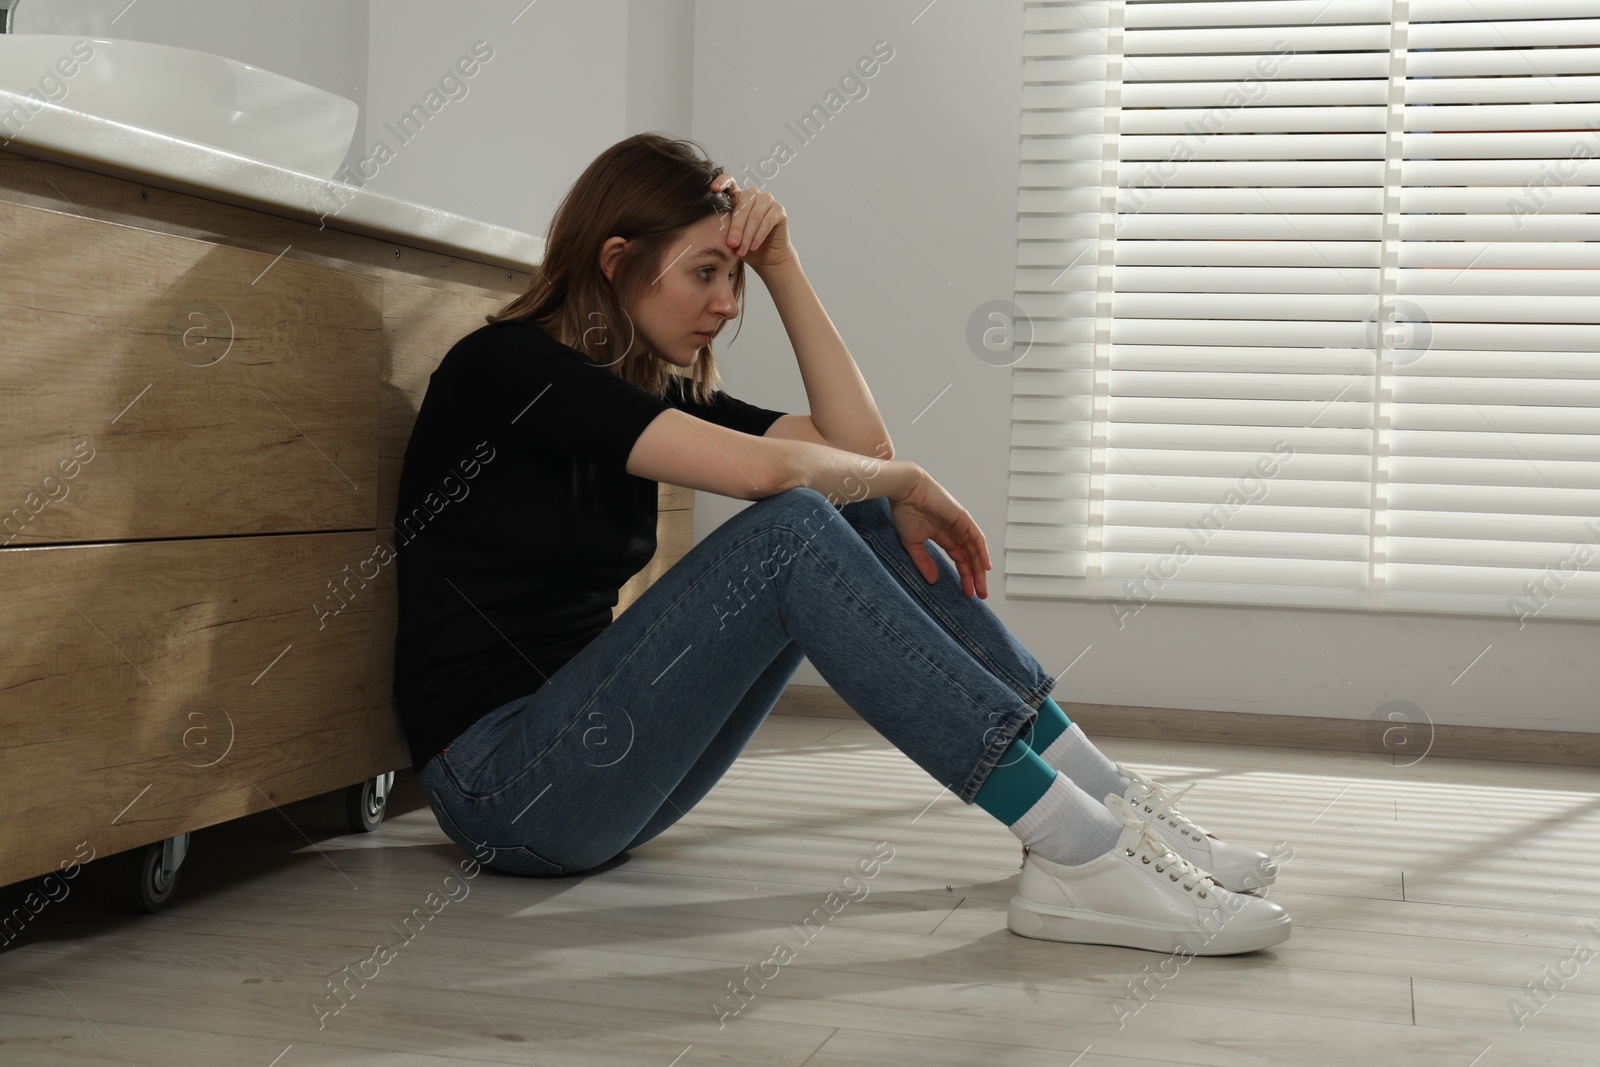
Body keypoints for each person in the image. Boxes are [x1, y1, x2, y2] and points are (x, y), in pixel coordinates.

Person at [391, 133, 1291, 955]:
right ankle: (1078, 850)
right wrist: (907, 484)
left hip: (604, 773)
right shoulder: (503, 369)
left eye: (734, 278)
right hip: (504, 787)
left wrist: (783, 264)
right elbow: (778, 478)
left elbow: (858, 453)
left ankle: (1100, 799)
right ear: (618, 261)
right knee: (799, 522)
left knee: (848, 503)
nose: (725, 303)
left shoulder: (643, 389)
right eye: (706, 273)